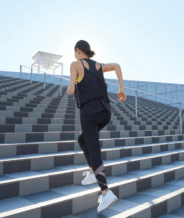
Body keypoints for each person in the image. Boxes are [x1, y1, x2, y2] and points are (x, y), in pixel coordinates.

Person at [67, 40, 126, 213]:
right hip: (105, 112)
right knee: (83, 140)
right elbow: (116, 66)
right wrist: (121, 89)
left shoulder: (75, 64)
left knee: (93, 149)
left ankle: (105, 192)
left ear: (78, 51)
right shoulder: (99, 65)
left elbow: (71, 89)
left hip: (89, 113)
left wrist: (72, 86)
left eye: (75, 53)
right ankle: (93, 171)